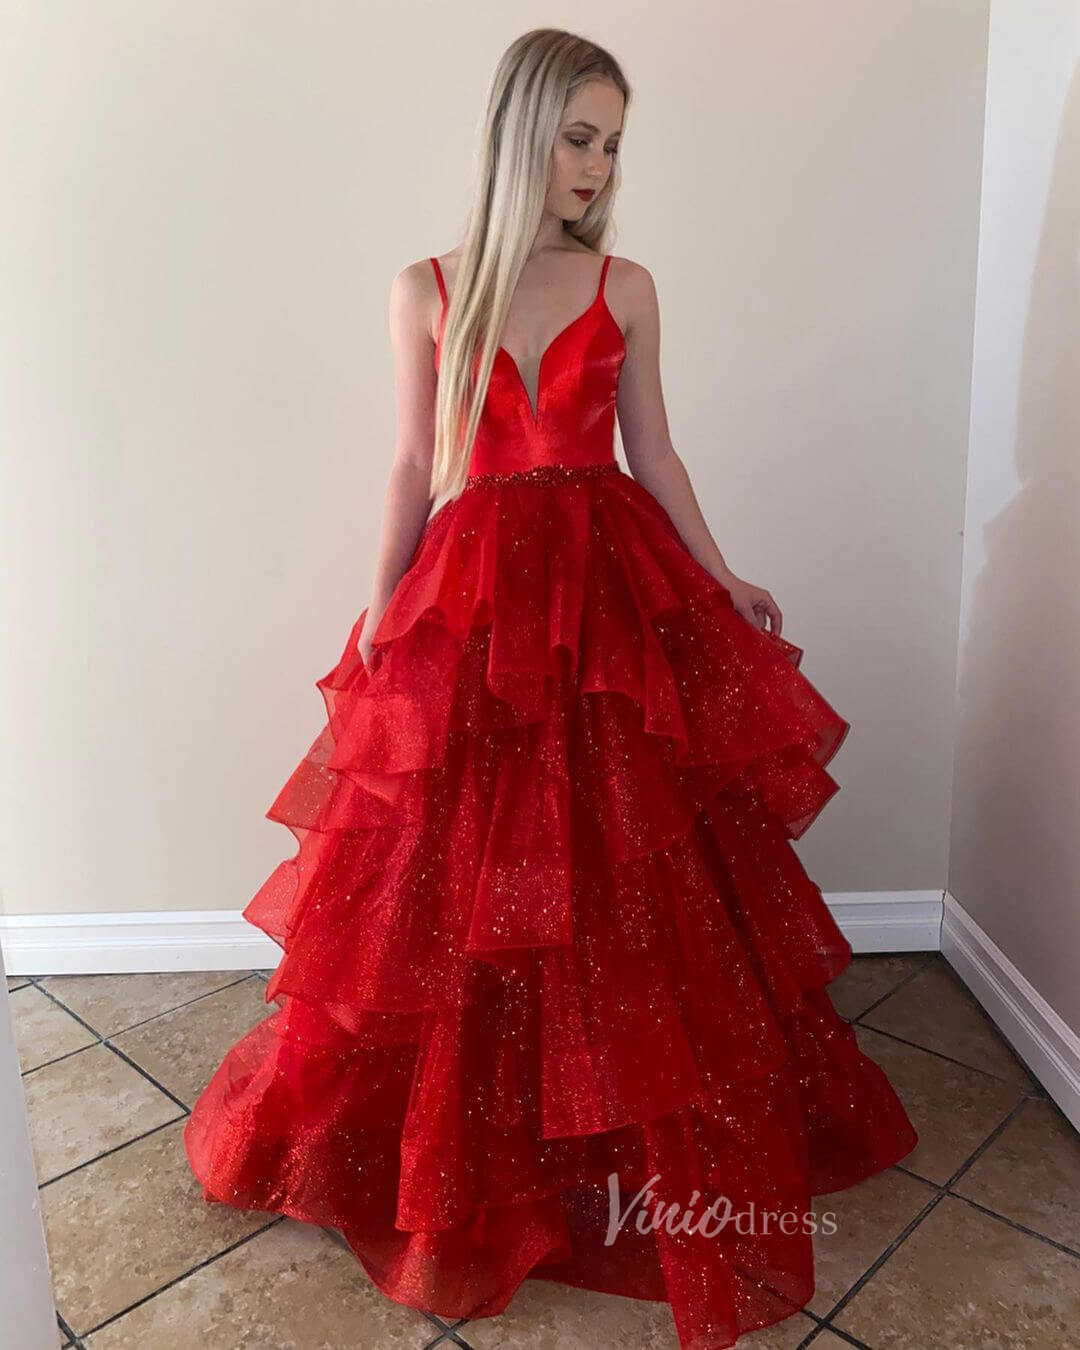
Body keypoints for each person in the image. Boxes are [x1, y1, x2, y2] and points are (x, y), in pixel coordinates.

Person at [184, 27, 918, 1350]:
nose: (597, 166)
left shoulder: (626, 285)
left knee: (624, 861)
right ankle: (483, 1140)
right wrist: (380, 608)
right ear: (521, 132)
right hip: (475, 592)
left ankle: (613, 1133)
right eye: (579, 136)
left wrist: (722, 572)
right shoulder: (425, 287)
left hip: (609, 589)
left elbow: (656, 453)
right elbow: (414, 463)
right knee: (458, 873)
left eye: (613, 145)